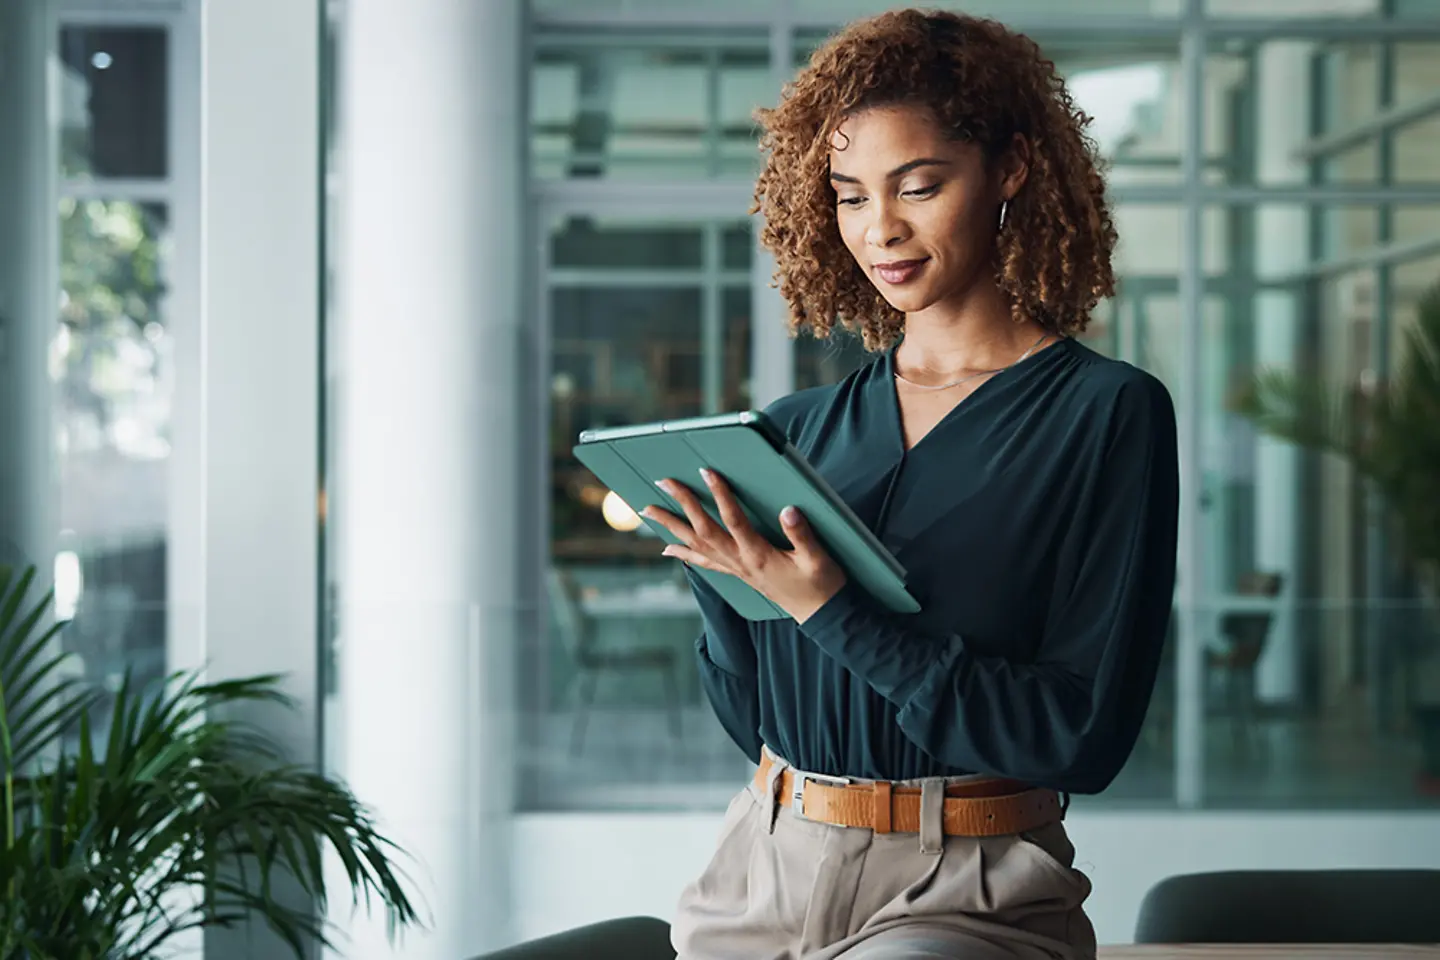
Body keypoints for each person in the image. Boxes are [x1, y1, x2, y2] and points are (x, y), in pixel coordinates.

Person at [639, 9, 1180, 959]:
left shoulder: (1106, 414)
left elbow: (1081, 738)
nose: (879, 229)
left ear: (1009, 169)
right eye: (849, 196)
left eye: (918, 186)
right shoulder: (797, 428)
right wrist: (718, 574)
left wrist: (831, 611)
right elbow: (758, 719)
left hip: (964, 884)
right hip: (764, 863)